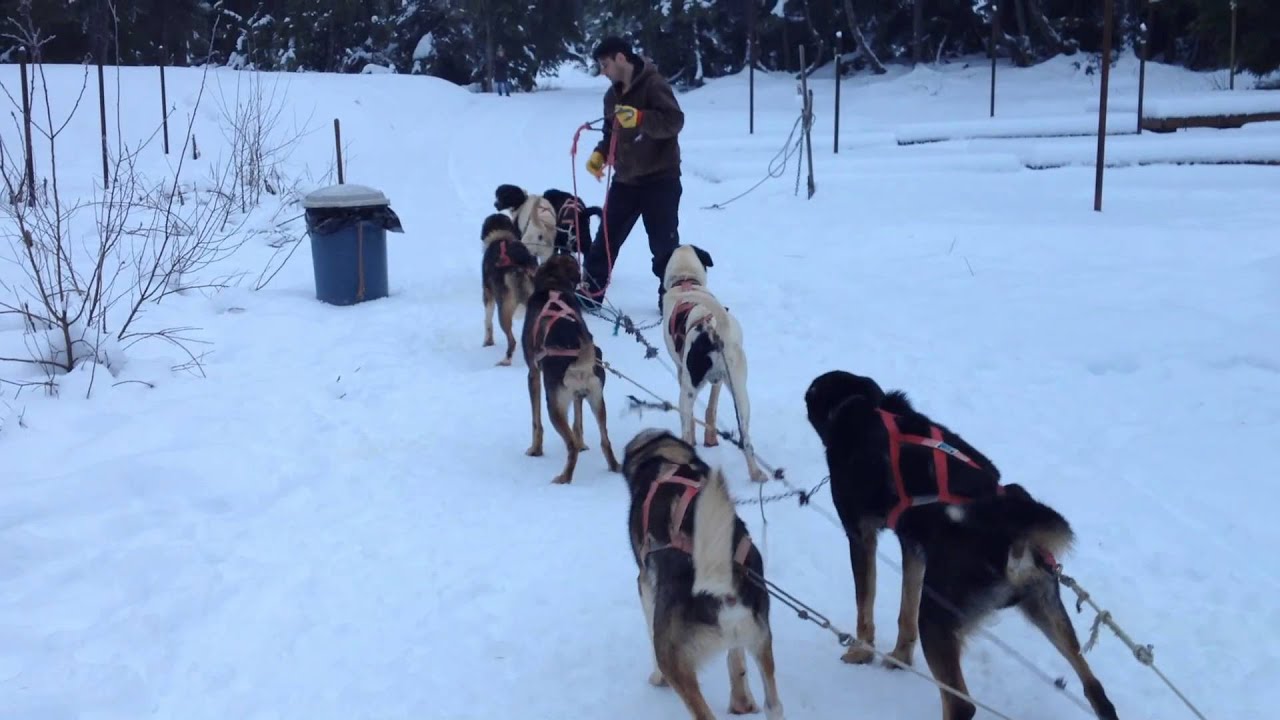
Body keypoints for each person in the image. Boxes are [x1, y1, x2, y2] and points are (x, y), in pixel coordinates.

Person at [579, 36, 685, 313]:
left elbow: (674, 121)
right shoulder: (610, 96)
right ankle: (591, 293)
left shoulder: (654, 84)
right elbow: (609, 134)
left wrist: (641, 119)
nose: (603, 71)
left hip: (661, 178)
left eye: (605, 64)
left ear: (621, 58)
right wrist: (600, 155)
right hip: (626, 180)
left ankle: (671, 300)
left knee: (663, 244)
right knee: (604, 239)